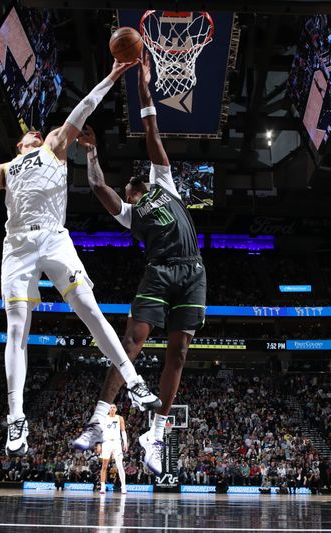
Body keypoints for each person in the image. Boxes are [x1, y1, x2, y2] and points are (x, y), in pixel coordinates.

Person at [0, 59, 160, 456]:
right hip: (16, 246)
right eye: (27, 134)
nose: (35, 132)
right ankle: (16, 419)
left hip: (54, 239)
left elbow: (83, 108)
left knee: (90, 310)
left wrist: (113, 74)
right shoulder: (7, 165)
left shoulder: (54, 145)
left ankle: (134, 381)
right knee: (17, 328)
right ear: (19, 144)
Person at [72, 52, 206, 475]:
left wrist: (144, 83)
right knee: (132, 341)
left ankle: (157, 432)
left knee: (180, 352)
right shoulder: (130, 213)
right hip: (160, 270)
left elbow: (151, 127)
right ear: (131, 191)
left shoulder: (165, 183)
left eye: (138, 178)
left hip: (193, 271)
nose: (137, 181)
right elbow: (96, 185)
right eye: (133, 183)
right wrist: (91, 153)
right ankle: (98, 418)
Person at [97, 405, 127, 494]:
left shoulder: (120, 418)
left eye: (114, 407)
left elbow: (123, 431)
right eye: (110, 407)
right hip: (106, 443)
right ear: (108, 409)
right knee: (104, 466)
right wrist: (99, 444)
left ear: (116, 409)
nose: (112, 409)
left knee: (120, 465)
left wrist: (125, 443)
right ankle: (102, 487)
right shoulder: (104, 418)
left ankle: (123, 487)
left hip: (117, 443)